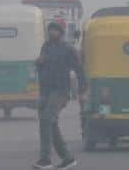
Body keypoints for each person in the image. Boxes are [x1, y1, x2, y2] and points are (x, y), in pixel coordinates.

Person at [34, 21, 84, 170]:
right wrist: (38, 63)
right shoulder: (46, 46)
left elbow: (79, 70)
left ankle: (45, 159)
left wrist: (83, 90)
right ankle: (67, 158)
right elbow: (41, 66)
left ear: (61, 32)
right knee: (50, 123)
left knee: (46, 119)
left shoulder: (68, 49)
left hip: (60, 91)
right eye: (50, 29)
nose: (52, 32)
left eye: (55, 30)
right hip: (46, 91)